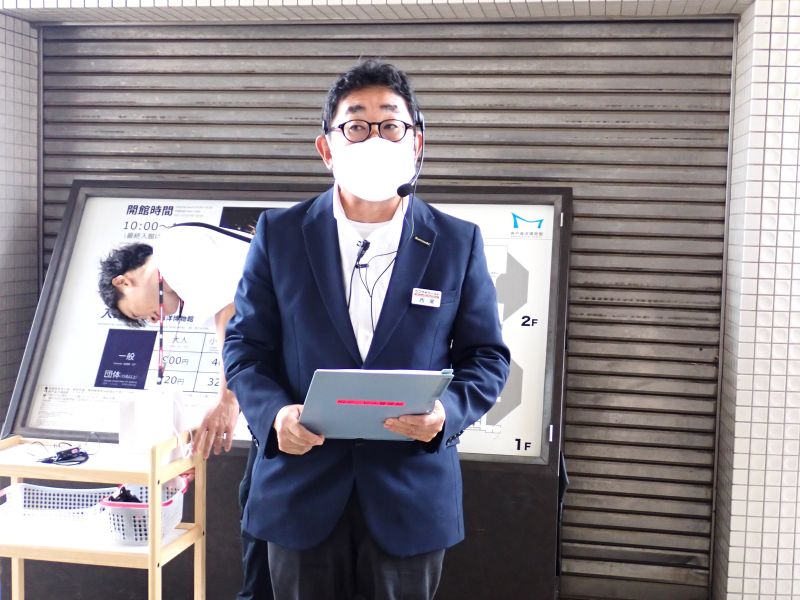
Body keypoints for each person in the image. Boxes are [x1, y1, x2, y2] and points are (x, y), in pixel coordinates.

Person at [223, 59, 510, 599]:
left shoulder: (456, 241)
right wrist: (274, 415)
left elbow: (487, 357)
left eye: (391, 124)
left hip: (409, 492)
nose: (375, 138)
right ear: (327, 147)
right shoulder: (280, 234)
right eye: (356, 125)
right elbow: (245, 346)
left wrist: (446, 415)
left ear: (416, 142)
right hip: (300, 489)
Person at [98, 223, 272, 600]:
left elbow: (232, 315)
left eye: (139, 314)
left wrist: (228, 400)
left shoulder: (174, 247)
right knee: (256, 500)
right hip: (291, 376)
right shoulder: (192, 265)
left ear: (124, 281)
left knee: (259, 504)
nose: (153, 320)